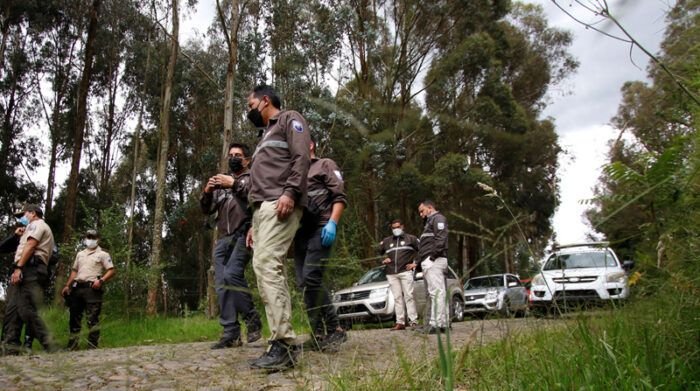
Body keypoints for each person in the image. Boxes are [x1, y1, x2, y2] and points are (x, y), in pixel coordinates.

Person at [244, 84, 311, 370]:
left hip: (280, 202)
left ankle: (283, 343)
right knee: (267, 269)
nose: (249, 111)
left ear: (265, 101)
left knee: (267, 265)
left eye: (250, 105)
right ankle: (281, 342)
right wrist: (253, 224)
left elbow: (301, 156)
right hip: (262, 210)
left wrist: (291, 192)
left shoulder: (288, 119)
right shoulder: (263, 137)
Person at [200, 142, 262, 349]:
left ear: (247, 159)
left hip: (245, 233)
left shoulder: (252, 177)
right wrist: (207, 191)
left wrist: (233, 184)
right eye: (231, 155)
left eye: (238, 155)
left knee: (232, 275)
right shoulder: (221, 182)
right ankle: (231, 332)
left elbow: (257, 198)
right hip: (223, 238)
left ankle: (252, 318)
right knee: (221, 284)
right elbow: (206, 209)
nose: (233, 158)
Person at [294, 137, 347, 352]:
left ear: (310, 145)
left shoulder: (325, 165)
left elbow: (339, 197)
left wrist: (333, 223)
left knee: (312, 277)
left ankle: (335, 329)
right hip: (300, 233)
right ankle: (316, 334)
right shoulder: (294, 172)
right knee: (305, 283)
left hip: (322, 228)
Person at [1, 204, 56, 354]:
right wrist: (16, 236)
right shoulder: (26, 231)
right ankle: (10, 348)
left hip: (30, 270)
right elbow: (4, 248)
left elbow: (31, 246)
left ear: (32, 213)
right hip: (22, 269)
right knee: (12, 310)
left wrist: (19, 268)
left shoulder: (37, 225)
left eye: (23, 215)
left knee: (26, 309)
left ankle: (50, 343)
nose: (22, 219)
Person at [61, 230, 116, 350]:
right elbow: (74, 271)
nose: (90, 239)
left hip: (92, 288)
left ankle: (92, 345)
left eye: (93, 237)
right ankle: (73, 345)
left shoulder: (103, 254)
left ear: (97, 239)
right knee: (74, 317)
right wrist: (67, 285)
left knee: (92, 318)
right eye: (88, 237)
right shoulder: (80, 254)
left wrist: (101, 281)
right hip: (78, 287)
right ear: (85, 238)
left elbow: (111, 270)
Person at [379, 219, 420, 331]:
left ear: (402, 226)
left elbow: (422, 250)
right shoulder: (387, 241)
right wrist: (383, 259)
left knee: (409, 296)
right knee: (397, 298)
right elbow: (379, 252)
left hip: (405, 271)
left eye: (397, 227)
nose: (396, 229)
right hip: (391, 273)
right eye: (393, 228)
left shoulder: (411, 238)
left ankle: (413, 321)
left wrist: (415, 263)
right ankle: (400, 322)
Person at [416, 200, 449, 334]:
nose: (421, 214)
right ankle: (443, 323)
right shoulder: (429, 223)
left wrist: (432, 258)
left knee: (436, 293)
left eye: (422, 211)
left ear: (430, 208)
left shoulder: (438, 219)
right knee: (439, 292)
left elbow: (441, 239)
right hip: (432, 260)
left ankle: (435, 324)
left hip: (434, 260)